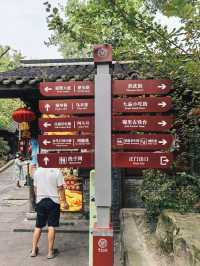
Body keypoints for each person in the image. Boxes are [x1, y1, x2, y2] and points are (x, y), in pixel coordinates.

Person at [30, 167, 69, 259]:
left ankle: (33, 250)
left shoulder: (37, 172)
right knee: (51, 226)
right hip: (54, 201)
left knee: (38, 226)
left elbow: (35, 188)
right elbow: (60, 188)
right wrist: (64, 201)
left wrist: (38, 198)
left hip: (40, 201)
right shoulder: (57, 171)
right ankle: (50, 252)